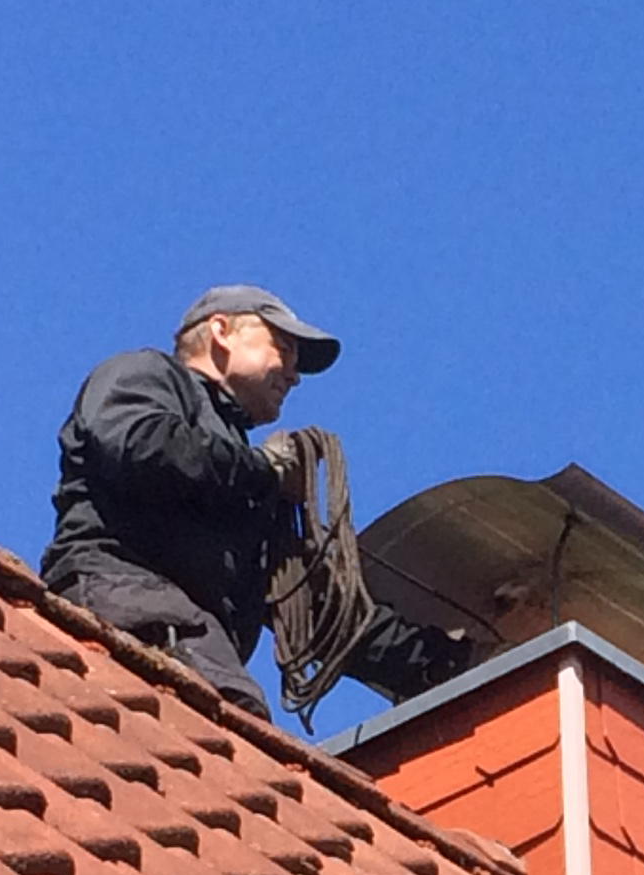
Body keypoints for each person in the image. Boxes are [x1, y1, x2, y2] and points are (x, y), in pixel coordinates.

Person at [41, 285, 470, 721]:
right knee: (229, 726)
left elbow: (307, 604)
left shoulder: (247, 483)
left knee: (234, 726)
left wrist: (435, 663)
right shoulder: (145, 374)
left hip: (189, 630)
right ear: (221, 331)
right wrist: (263, 469)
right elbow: (141, 444)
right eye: (282, 348)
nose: (293, 374)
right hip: (125, 598)